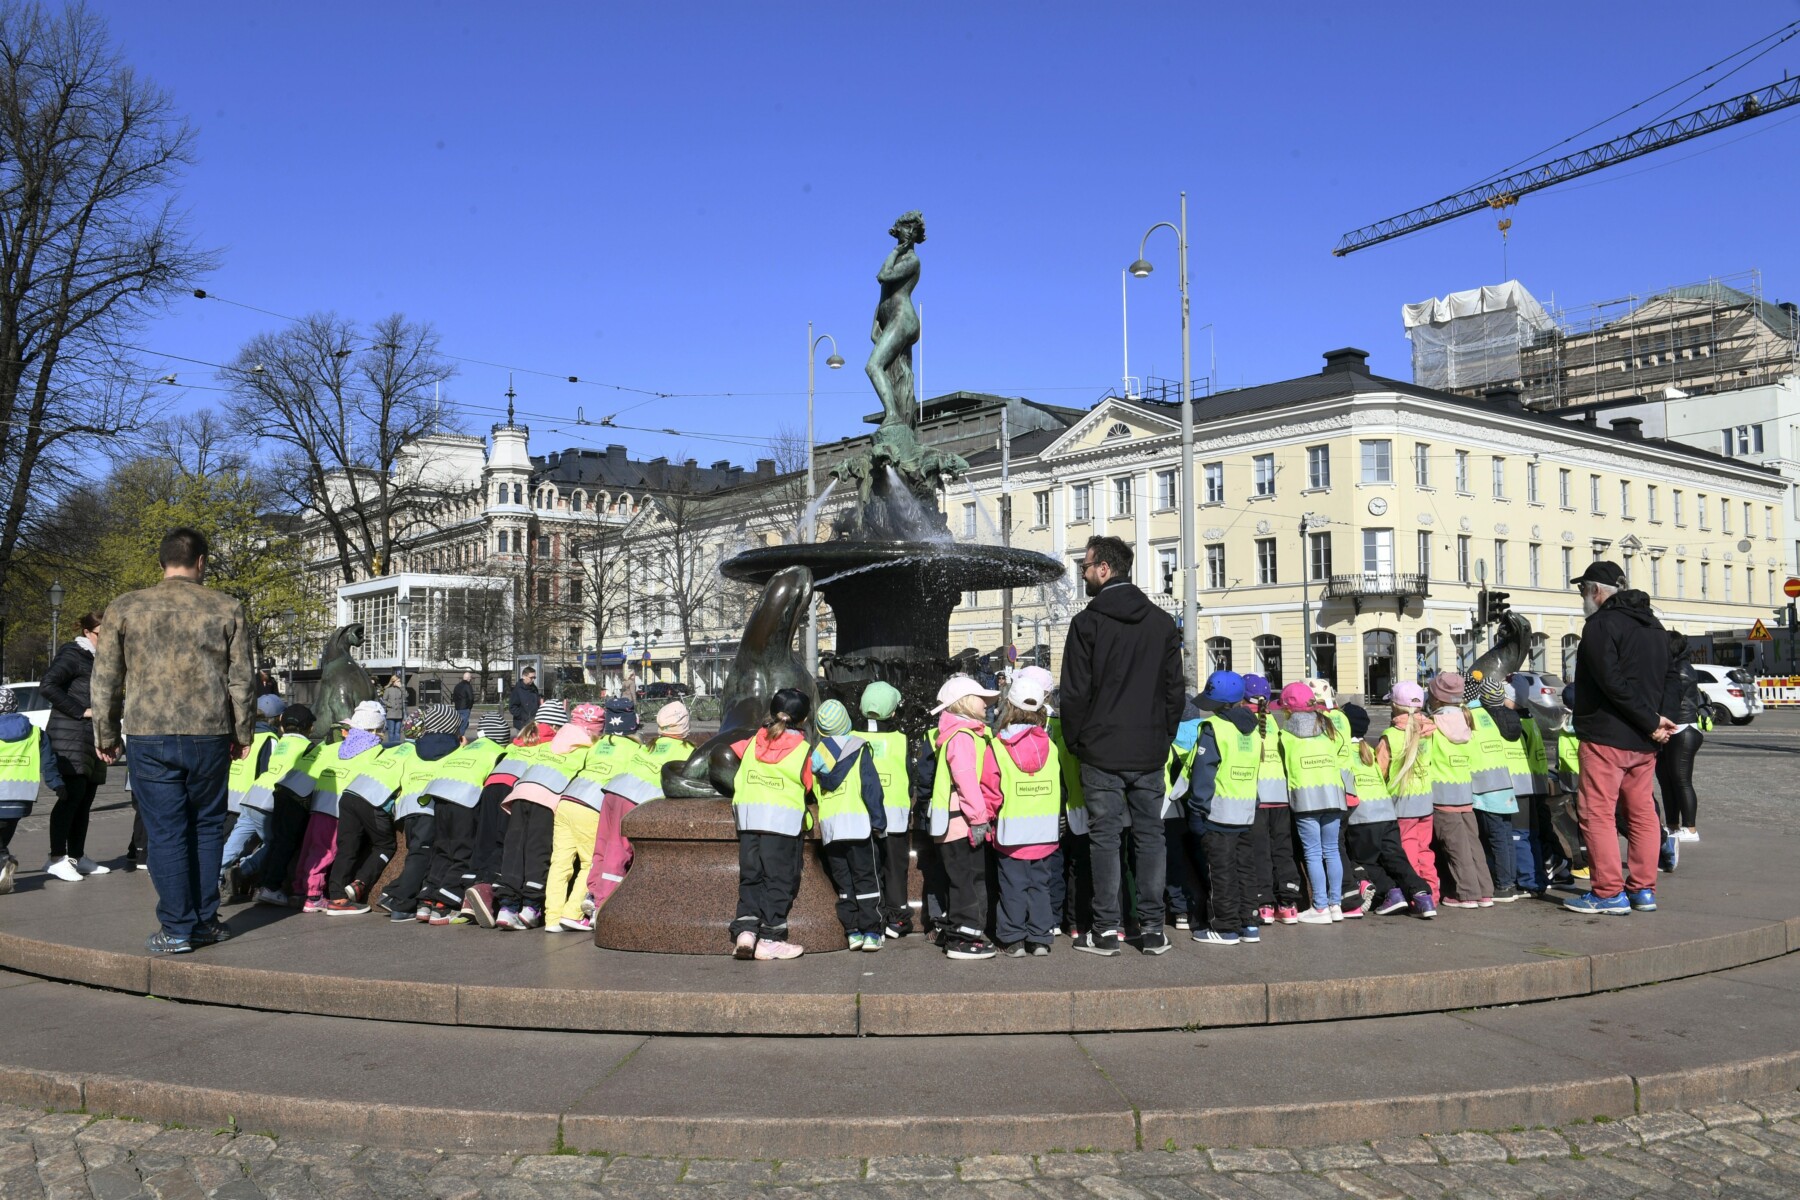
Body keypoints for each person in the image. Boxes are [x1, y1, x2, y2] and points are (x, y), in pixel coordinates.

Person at [90, 526, 255, 955]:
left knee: (165, 832)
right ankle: (203, 922)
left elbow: (105, 678)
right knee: (206, 828)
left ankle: (177, 927)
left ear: (163, 562)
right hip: (209, 732)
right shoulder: (227, 607)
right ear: (201, 561)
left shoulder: (126, 607)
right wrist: (242, 732)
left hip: (149, 732)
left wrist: (106, 734)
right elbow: (242, 680)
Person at [1057, 534, 1184, 957]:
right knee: (1152, 837)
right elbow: (1174, 692)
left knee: (1105, 838)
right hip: (1149, 748)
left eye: (1086, 566)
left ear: (1105, 569)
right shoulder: (1162, 622)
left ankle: (1106, 931)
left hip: (1101, 750)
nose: (1083, 573)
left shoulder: (1087, 624)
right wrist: (1164, 736)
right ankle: (1152, 929)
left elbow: (1074, 694)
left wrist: (1076, 741)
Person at [1565, 561, 1675, 915]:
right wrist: (1660, 720)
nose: (1583, 597)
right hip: (1645, 740)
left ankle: (1608, 892)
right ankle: (1643, 890)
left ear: (1596, 591)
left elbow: (1610, 682)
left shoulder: (1600, 625)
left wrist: (1649, 719)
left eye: (1584, 590)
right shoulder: (1654, 625)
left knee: (1597, 812)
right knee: (1642, 813)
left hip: (1606, 736)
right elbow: (1672, 677)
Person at [728, 688, 814, 960]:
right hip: (781, 824)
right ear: (803, 720)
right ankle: (770, 938)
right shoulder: (802, 749)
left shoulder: (754, 740)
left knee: (751, 876)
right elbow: (809, 784)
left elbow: (731, 753)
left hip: (749, 819)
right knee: (778, 880)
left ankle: (745, 932)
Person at [1182, 671, 1260, 946]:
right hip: (1246, 811)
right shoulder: (1254, 728)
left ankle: (1225, 927)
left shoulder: (1214, 728)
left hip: (1219, 813)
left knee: (1221, 871)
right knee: (1245, 869)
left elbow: (1204, 774)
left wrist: (1198, 807)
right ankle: (1249, 923)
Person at [927, 675, 1001, 960]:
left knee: (965, 879)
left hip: (959, 821)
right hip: (963, 823)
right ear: (967, 703)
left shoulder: (963, 734)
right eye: (981, 699)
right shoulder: (963, 737)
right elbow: (966, 780)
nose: (986, 704)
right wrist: (980, 818)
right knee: (967, 881)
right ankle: (963, 937)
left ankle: (963, 932)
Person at [1341, 702, 1434, 919]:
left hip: (1363, 817)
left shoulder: (1345, 753)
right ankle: (1421, 895)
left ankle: (1391, 892)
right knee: (1396, 858)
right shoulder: (1368, 752)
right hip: (1386, 812)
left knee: (1366, 862)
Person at [991, 673, 1060, 956]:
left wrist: (987, 819)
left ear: (1008, 706)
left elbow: (991, 788)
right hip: (1044, 832)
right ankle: (1040, 938)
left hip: (1011, 833)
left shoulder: (997, 746)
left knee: (1013, 885)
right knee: (1040, 885)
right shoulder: (1051, 747)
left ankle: (1012, 938)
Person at [811, 699, 887, 951]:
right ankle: (872, 933)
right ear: (847, 721)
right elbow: (870, 788)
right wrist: (878, 821)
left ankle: (852, 931)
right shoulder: (859, 748)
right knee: (866, 879)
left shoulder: (817, 754)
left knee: (844, 883)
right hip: (858, 825)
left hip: (832, 827)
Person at [38, 610, 108, 881]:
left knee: (86, 798)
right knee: (71, 796)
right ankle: (56, 858)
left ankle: (77, 857)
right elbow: (48, 686)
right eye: (102, 634)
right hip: (69, 736)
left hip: (91, 738)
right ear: (87, 633)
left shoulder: (100, 658)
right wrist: (81, 711)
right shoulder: (73, 653)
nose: (107, 639)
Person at [380, 703, 464, 921]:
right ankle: (401, 903)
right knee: (422, 854)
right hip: (430, 806)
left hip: (408, 807)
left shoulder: (416, 747)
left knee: (417, 853)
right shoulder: (453, 749)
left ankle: (393, 892)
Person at [493, 699, 572, 929]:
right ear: (557, 727)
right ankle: (531, 906)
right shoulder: (554, 745)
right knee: (538, 849)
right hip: (543, 798)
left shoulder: (517, 742)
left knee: (514, 849)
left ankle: (507, 907)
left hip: (515, 796)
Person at [324, 700, 407, 915]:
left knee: (347, 848)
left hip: (346, 796)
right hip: (370, 799)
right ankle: (359, 883)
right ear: (377, 730)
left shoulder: (344, 746)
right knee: (385, 845)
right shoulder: (377, 749)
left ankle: (336, 896)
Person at [1277, 682, 1349, 925]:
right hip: (1334, 795)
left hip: (1305, 798)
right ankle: (1336, 905)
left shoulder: (1285, 735)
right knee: (1332, 851)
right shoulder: (1329, 729)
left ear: (1287, 710)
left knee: (1313, 853)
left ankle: (1319, 907)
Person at [1422, 672, 1494, 908]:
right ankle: (1484, 891)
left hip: (1442, 793)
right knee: (1473, 843)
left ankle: (1466, 893)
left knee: (1455, 847)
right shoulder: (1465, 720)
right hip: (1464, 791)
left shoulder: (1432, 725)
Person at [856, 681, 915, 941]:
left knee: (869, 867)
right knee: (894, 867)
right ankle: (898, 917)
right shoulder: (901, 740)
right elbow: (910, 777)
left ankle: (873, 916)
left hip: (861, 813)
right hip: (895, 815)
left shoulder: (853, 739)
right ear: (893, 713)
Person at [542, 703, 606, 932]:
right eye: (600, 729)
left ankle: (551, 918)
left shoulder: (557, 740)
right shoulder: (591, 748)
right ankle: (572, 913)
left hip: (563, 804)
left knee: (559, 862)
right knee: (590, 861)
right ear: (592, 729)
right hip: (586, 804)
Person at [1376, 682, 1439, 917]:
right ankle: (1432, 893)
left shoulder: (1390, 736)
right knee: (1425, 849)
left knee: (1406, 852)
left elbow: (1381, 770)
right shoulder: (1429, 730)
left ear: (1394, 706)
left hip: (1402, 802)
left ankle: (1415, 897)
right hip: (1425, 800)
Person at [1245, 674, 1303, 924]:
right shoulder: (1272, 722)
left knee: (1260, 850)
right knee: (1282, 849)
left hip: (1256, 796)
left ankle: (1264, 903)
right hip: (1280, 795)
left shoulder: (1244, 722)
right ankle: (1289, 903)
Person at [0, 686, 66, 894]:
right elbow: (49, 764)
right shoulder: (36, 732)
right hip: (20, 799)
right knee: (3, 836)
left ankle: (4, 863)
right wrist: (57, 784)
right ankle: (3, 865)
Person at [220, 692, 286, 898]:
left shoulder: (242, 734)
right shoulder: (270, 739)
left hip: (230, 795)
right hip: (253, 797)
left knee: (233, 841)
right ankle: (245, 871)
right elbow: (270, 772)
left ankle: (214, 874)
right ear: (278, 719)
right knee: (275, 842)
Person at [1467, 672, 1526, 903]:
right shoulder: (1508, 718)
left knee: (1495, 838)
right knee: (1505, 836)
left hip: (1487, 786)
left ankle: (1503, 884)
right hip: (1505, 784)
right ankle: (1509, 882)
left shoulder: (1481, 716)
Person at [1658, 631, 1705, 851]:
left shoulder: (1681, 670)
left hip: (1683, 730)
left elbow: (1670, 701)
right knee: (1667, 780)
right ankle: (1673, 825)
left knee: (1681, 780)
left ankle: (1690, 828)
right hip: (1674, 729)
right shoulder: (1674, 668)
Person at [508, 667, 542, 733]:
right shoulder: (517, 690)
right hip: (522, 725)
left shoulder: (534, 688)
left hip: (533, 723)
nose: (533, 680)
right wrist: (524, 716)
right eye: (531, 678)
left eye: (534, 678)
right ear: (524, 676)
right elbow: (512, 707)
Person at [381, 675, 408, 747]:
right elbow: (384, 700)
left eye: (399, 681)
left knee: (398, 732)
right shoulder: (388, 690)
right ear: (393, 682)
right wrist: (390, 705)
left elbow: (406, 696)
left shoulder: (401, 689)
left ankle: (397, 746)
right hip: (391, 713)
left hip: (399, 713)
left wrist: (402, 688)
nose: (400, 682)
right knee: (391, 732)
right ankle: (391, 746)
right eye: (398, 681)